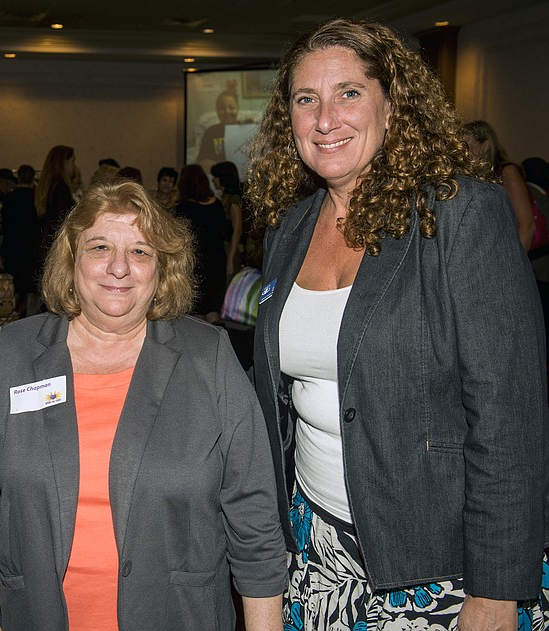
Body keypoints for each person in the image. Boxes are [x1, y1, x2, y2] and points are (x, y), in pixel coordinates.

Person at [247, 18, 548, 630]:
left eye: (348, 93)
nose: (325, 119)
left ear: (392, 107)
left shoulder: (461, 215)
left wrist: (495, 592)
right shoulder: (289, 228)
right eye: (306, 99)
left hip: (440, 560)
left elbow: (510, 418)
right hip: (315, 549)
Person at [0, 180, 287, 630]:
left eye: (140, 251)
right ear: (71, 259)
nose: (119, 267)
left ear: (162, 269)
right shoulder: (14, 352)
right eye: (99, 247)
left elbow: (254, 515)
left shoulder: (208, 356)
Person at [463, 120, 539, 251]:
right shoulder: (471, 176)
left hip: (512, 250)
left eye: (466, 146)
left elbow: (527, 225)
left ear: (485, 146)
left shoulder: (507, 172)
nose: (461, 152)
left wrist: (515, 259)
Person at [174, 164, 226, 322]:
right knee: (213, 308)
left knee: (196, 312)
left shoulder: (183, 208)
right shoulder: (217, 204)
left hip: (194, 262)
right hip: (216, 260)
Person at [0, 164, 42, 316]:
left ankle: (10, 317)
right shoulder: (38, 199)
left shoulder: (9, 198)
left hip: (13, 247)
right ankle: (32, 322)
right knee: (31, 290)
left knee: (13, 289)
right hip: (32, 249)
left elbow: (4, 225)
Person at [197, 88, 254, 171]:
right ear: (217, 110)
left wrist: (252, 127)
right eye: (222, 108)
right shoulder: (210, 132)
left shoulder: (244, 128)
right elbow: (202, 160)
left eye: (231, 107)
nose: (227, 111)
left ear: (237, 109)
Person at [210, 160, 245, 276]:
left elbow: (237, 230)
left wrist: (230, 258)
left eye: (215, 177)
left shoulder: (234, 200)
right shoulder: (223, 198)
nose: (213, 180)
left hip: (230, 248)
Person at [36, 145, 76, 242]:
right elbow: (63, 218)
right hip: (58, 240)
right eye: (72, 162)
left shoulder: (48, 186)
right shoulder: (61, 188)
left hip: (47, 239)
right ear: (64, 164)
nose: (74, 167)